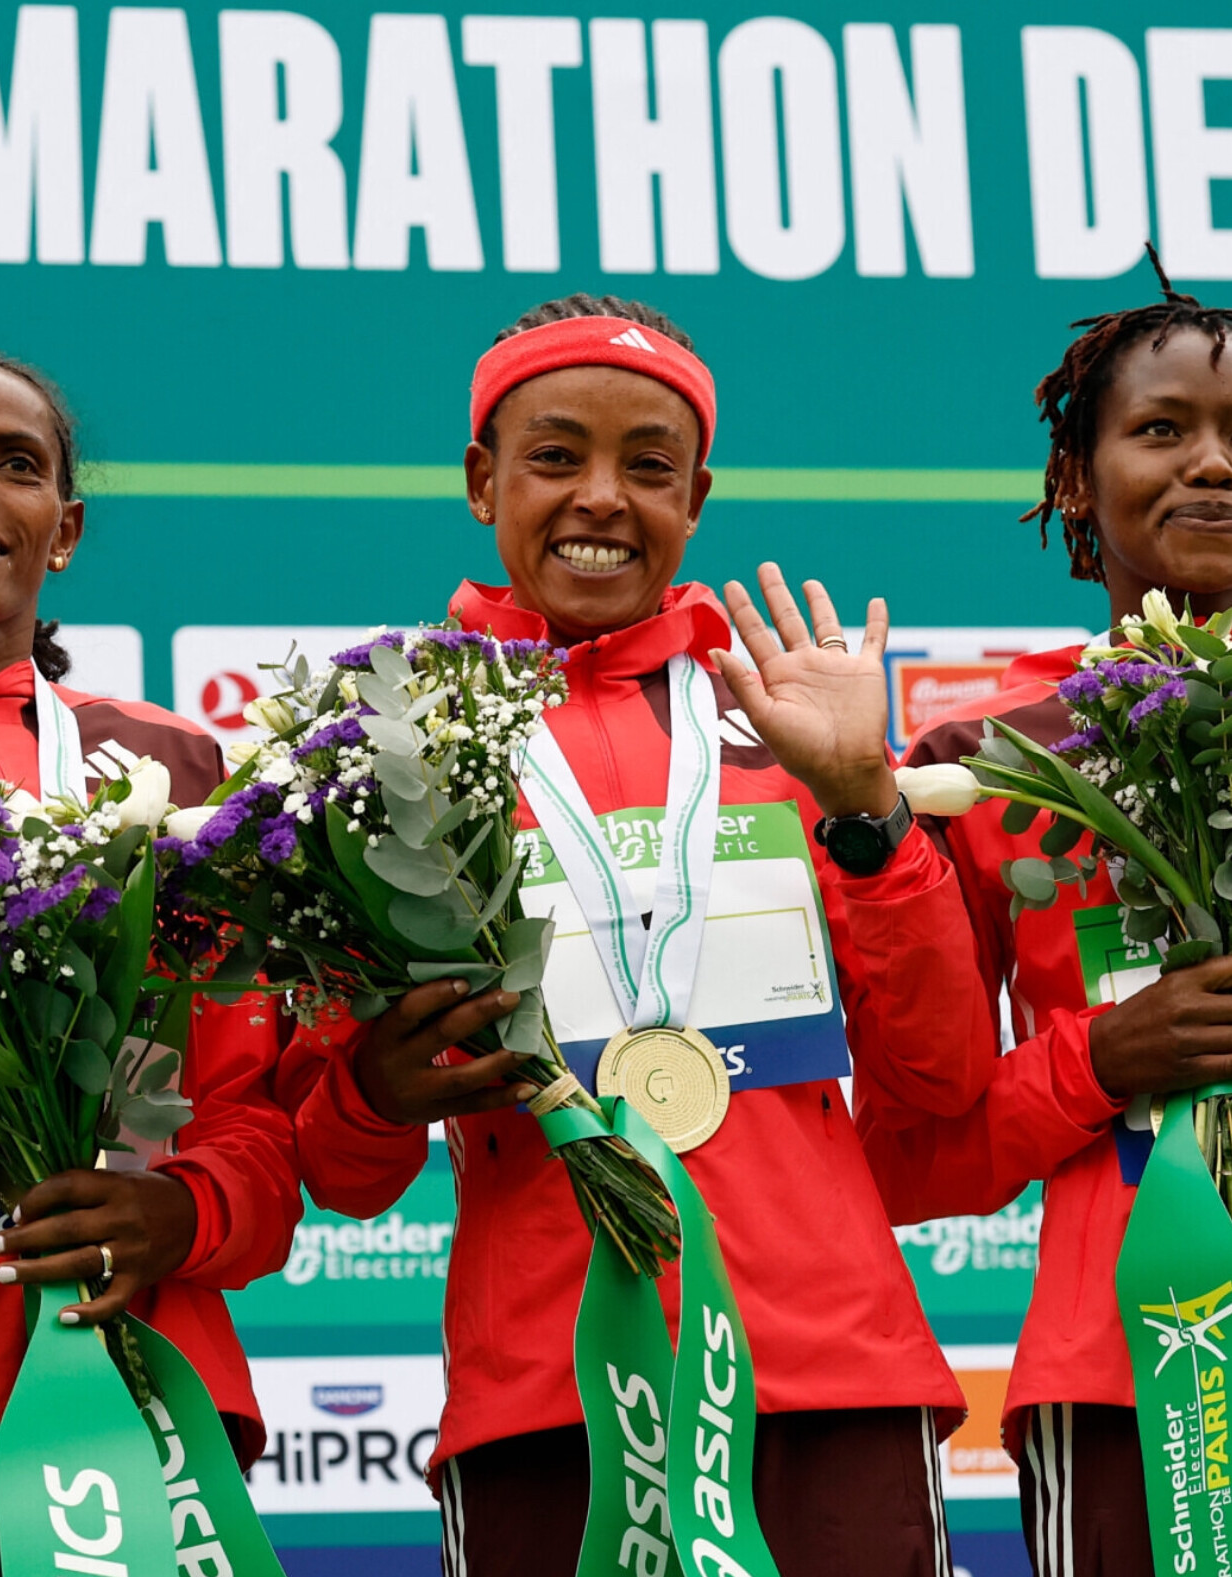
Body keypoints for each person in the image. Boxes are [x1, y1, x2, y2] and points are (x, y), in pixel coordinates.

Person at [278, 294, 996, 1576]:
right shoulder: (388, 748)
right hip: (549, 1391)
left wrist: (867, 809)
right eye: (556, 456)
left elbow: (940, 1072)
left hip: (827, 1377)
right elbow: (343, 1172)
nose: (602, 497)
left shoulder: (778, 721)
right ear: (482, 480)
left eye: (649, 466)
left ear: (696, 497)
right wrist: (379, 1090)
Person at [860, 261, 1232, 1577]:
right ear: (1076, 476)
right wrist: (1102, 1060)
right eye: (1163, 428)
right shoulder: (990, 764)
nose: (1213, 463)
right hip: (1131, 1368)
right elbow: (912, 1156)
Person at [0, 348, 301, 1577]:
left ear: (65, 529)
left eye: (13, 463)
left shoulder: (178, 771)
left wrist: (182, 1210)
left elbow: (253, 1112)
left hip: (132, 1381)